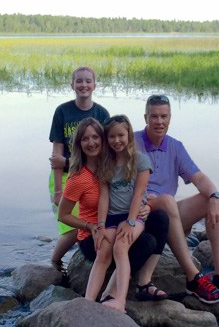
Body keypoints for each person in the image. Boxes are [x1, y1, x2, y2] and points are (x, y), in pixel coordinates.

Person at [133, 94, 219, 304]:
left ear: (170, 117)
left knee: (210, 200)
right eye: (154, 116)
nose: (159, 122)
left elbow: (197, 177)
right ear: (145, 117)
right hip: (140, 214)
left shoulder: (175, 146)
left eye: (164, 116)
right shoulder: (131, 142)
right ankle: (193, 277)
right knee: (168, 201)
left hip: (167, 213)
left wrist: (216, 195)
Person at [58, 117, 169, 307]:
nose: (91, 142)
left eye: (95, 137)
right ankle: (99, 297)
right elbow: (64, 214)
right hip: (94, 233)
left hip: (124, 220)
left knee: (160, 218)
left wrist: (143, 209)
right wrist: (94, 226)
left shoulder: (116, 161)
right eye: (85, 139)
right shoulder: (79, 177)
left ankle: (137, 286)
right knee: (141, 243)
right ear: (79, 143)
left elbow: (137, 191)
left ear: (103, 139)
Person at [85, 114, 154, 313]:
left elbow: (138, 194)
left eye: (121, 135)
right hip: (112, 218)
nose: (117, 140)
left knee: (120, 247)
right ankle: (88, 300)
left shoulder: (141, 162)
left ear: (129, 135)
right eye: (112, 137)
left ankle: (120, 301)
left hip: (134, 216)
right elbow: (104, 197)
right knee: (102, 252)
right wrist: (100, 226)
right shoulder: (105, 164)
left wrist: (131, 221)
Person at [49, 66, 109, 271]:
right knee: (72, 226)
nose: (84, 85)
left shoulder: (101, 113)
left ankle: (81, 258)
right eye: (79, 81)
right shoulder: (62, 111)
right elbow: (57, 155)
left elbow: (106, 149)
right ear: (72, 84)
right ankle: (55, 262)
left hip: (94, 175)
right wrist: (58, 189)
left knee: (91, 221)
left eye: (88, 81)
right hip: (66, 176)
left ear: (95, 84)